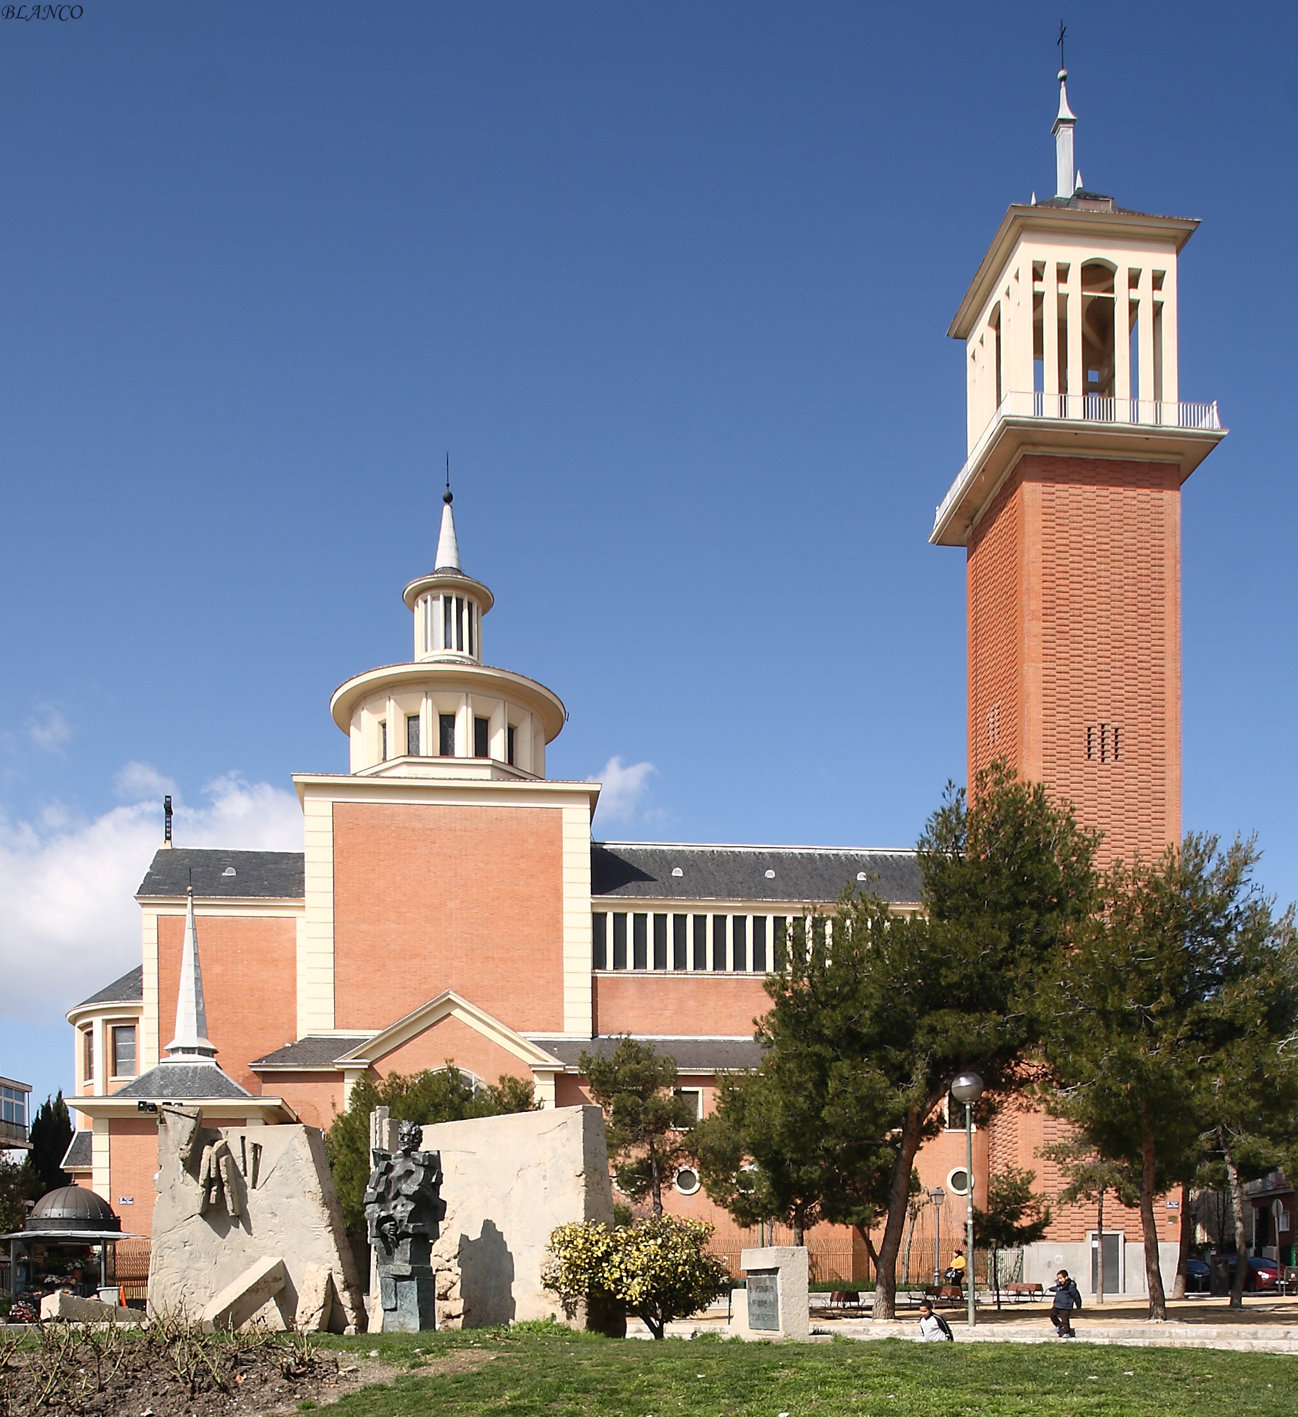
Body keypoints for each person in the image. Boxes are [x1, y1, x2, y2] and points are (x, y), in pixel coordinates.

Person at [1049, 1268, 1082, 1338]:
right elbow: (1056, 1289)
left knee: (1065, 1320)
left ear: (1066, 1277)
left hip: (1066, 1306)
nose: (1060, 1280)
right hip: (1057, 1304)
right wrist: (1051, 1289)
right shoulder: (1059, 1286)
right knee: (1052, 1315)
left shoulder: (1070, 1286)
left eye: (1061, 1278)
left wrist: (1078, 1304)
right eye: (1058, 1278)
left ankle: (1067, 1332)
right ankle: (1059, 1325)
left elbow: (1076, 1295)